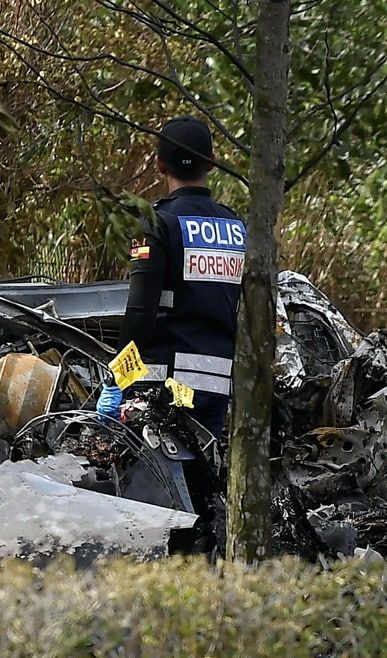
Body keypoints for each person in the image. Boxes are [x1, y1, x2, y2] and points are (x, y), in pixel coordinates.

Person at [97, 116, 246, 435]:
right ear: (212, 163)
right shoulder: (236, 228)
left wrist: (115, 382)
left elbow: (140, 313)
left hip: (162, 388)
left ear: (160, 164)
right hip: (215, 388)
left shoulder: (156, 224)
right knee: (201, 482)